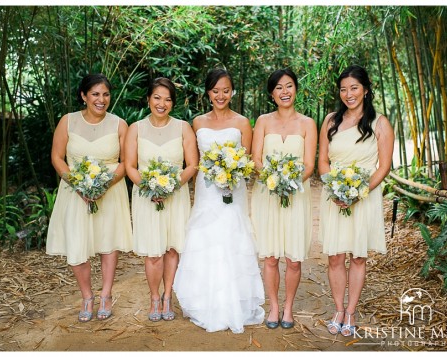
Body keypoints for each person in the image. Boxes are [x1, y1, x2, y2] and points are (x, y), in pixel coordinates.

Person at [173, 68, 265, 334]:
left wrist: (232, 173)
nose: (221, 95)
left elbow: (246, 161)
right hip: (206, 189)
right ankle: (204, 302)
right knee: (206, 237)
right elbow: (194, 160)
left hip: (232, 189)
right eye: (215, 91)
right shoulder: (197, 122)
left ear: (232, 91)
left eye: (226, 90)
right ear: (208, 93)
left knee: (232, 236)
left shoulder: (243, 123)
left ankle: (234, 302)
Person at [46, 73, 133, 322]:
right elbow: (57, 157)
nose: (101, 99)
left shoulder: (119, 124)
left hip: (110, 190)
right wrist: (78, 184)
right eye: (95, 94)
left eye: (105, 94)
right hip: (75, 192)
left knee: (108, 242)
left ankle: (106, 294)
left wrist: (104, 185)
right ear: (83, 96)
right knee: (77, 242)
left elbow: (126, 162)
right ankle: (86, 296)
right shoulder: (68, 121)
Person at [318, 64, 394, 337]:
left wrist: (356, 192)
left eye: (354, 88)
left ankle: (351, 311)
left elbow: (383, 167)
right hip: (335, 196)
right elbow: (323, 161)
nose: (348, 94)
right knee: (336, 256)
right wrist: (337, 190)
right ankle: (338, 309)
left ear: (365, 90)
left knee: (358, 256)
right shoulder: (330, 121)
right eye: (343, 89)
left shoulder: (380, 123)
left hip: (364, 197)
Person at [125, 77, 198, 322]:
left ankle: (168, 296)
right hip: (147, 196)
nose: (161, 103)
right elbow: (130, 166)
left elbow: (192, 165)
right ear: (148, 100)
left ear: (173, 104)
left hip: (175, 197)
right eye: (157, 97)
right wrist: (150, 187)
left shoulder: (183, 127)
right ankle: (154, 297)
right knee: (153, 253)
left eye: (167, 99)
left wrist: (170, 186)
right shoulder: (135, 128)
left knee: (172, 248)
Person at [250, 68, 317, 329]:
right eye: (279, 87)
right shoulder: (263, 121)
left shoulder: (308, 123)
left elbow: (309, 165)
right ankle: (274, 307)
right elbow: (256, 159)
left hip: (296, 195)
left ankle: (288, 306)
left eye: (289, 86)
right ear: (271, 94)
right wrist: (273, 180)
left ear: (296, 89)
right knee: (270, 256)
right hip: (267, 194)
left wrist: (289, 182)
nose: (284, 92)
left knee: (293, 257)